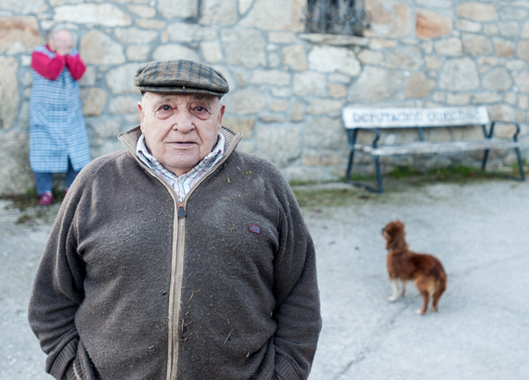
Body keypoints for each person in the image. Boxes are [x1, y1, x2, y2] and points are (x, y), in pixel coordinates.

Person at [28, 59, 322, 380]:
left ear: (219, 116)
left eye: (199, 109)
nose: (183, 124)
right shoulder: (96, 182)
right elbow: (50, 301)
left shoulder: (264, 183)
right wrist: (76, 373)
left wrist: (284, 374)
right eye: (166, 108)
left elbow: (300, 299)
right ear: (142, 115)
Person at [29, 25, 90, 206]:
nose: (68, 44)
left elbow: (78, 73)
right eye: (63, 40)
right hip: (45, 115)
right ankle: (45, 192)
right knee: (42, 153)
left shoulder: (73, 54)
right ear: (52, 40)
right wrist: (62, 55)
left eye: (69, 41)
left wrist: (67, 55)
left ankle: (70, 189)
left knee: (76, 153)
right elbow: (52, 72)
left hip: (70, 114)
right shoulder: (38, 54)